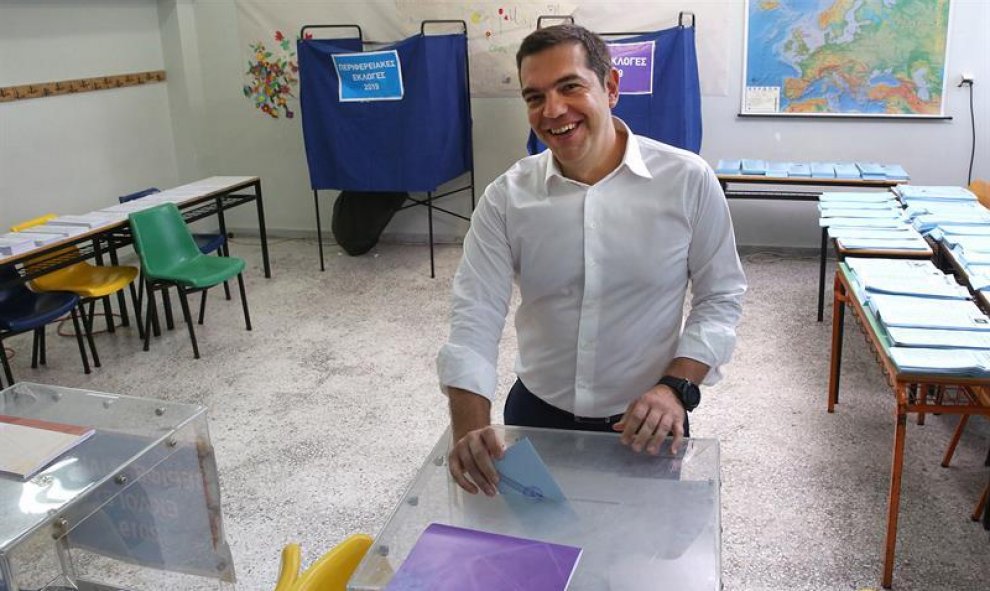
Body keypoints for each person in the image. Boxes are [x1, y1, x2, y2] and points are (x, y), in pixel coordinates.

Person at [437, 24, 746, 496]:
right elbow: (475, 313)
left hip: (645, 421)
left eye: (570, 87)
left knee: (638, 554)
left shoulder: (686, 181)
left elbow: (721, 297)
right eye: (534, 97)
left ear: (612, 87)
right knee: (539, 548)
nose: (553, 110)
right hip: (536, 414)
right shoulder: (507, 198)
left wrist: (676, 389)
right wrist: (469, 426)